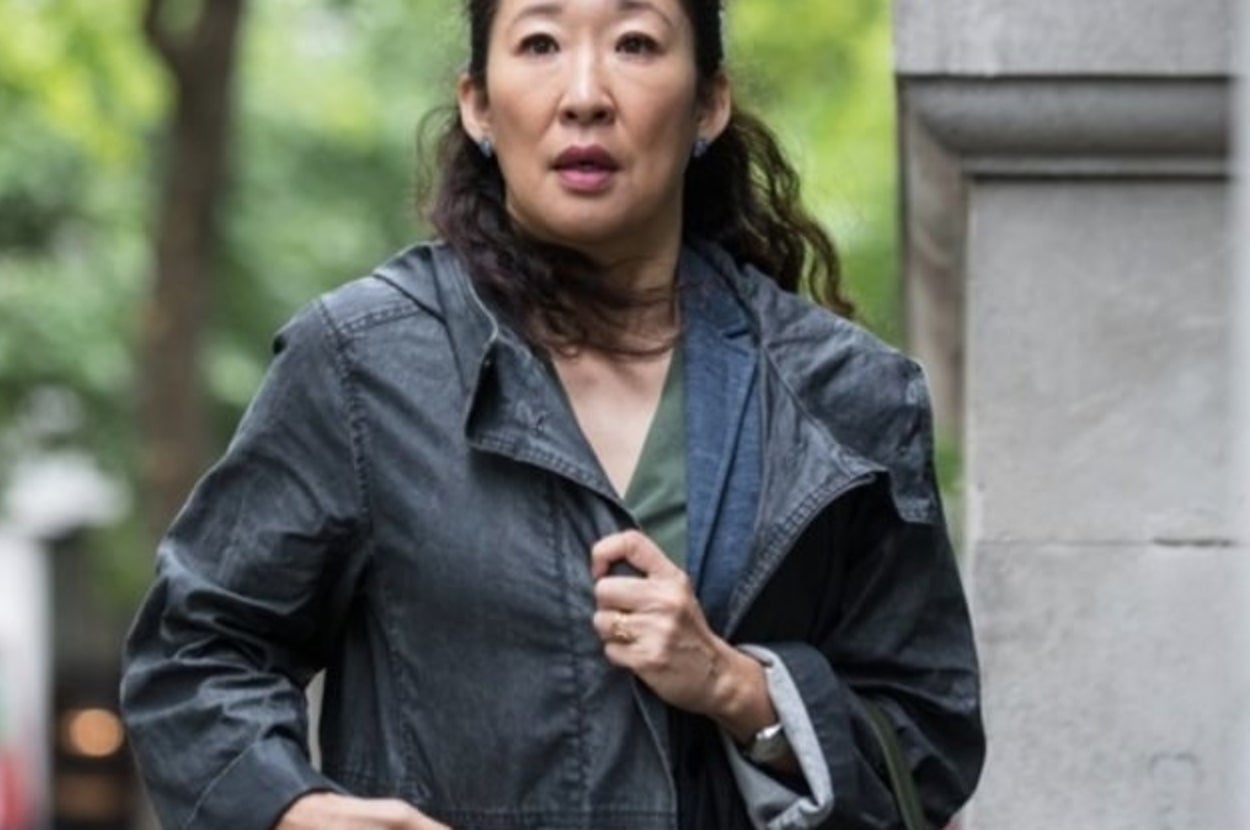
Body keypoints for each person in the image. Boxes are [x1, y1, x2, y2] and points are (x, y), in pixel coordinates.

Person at [120, 0, 985, 828]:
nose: (585, 95)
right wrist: (293, 811)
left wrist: (741, 690)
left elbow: (928, 736)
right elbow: (195, 649)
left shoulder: (844, 395)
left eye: (635, 43)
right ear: (478, 105)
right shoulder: (361, 364)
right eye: (539, 43)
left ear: (708, 104)